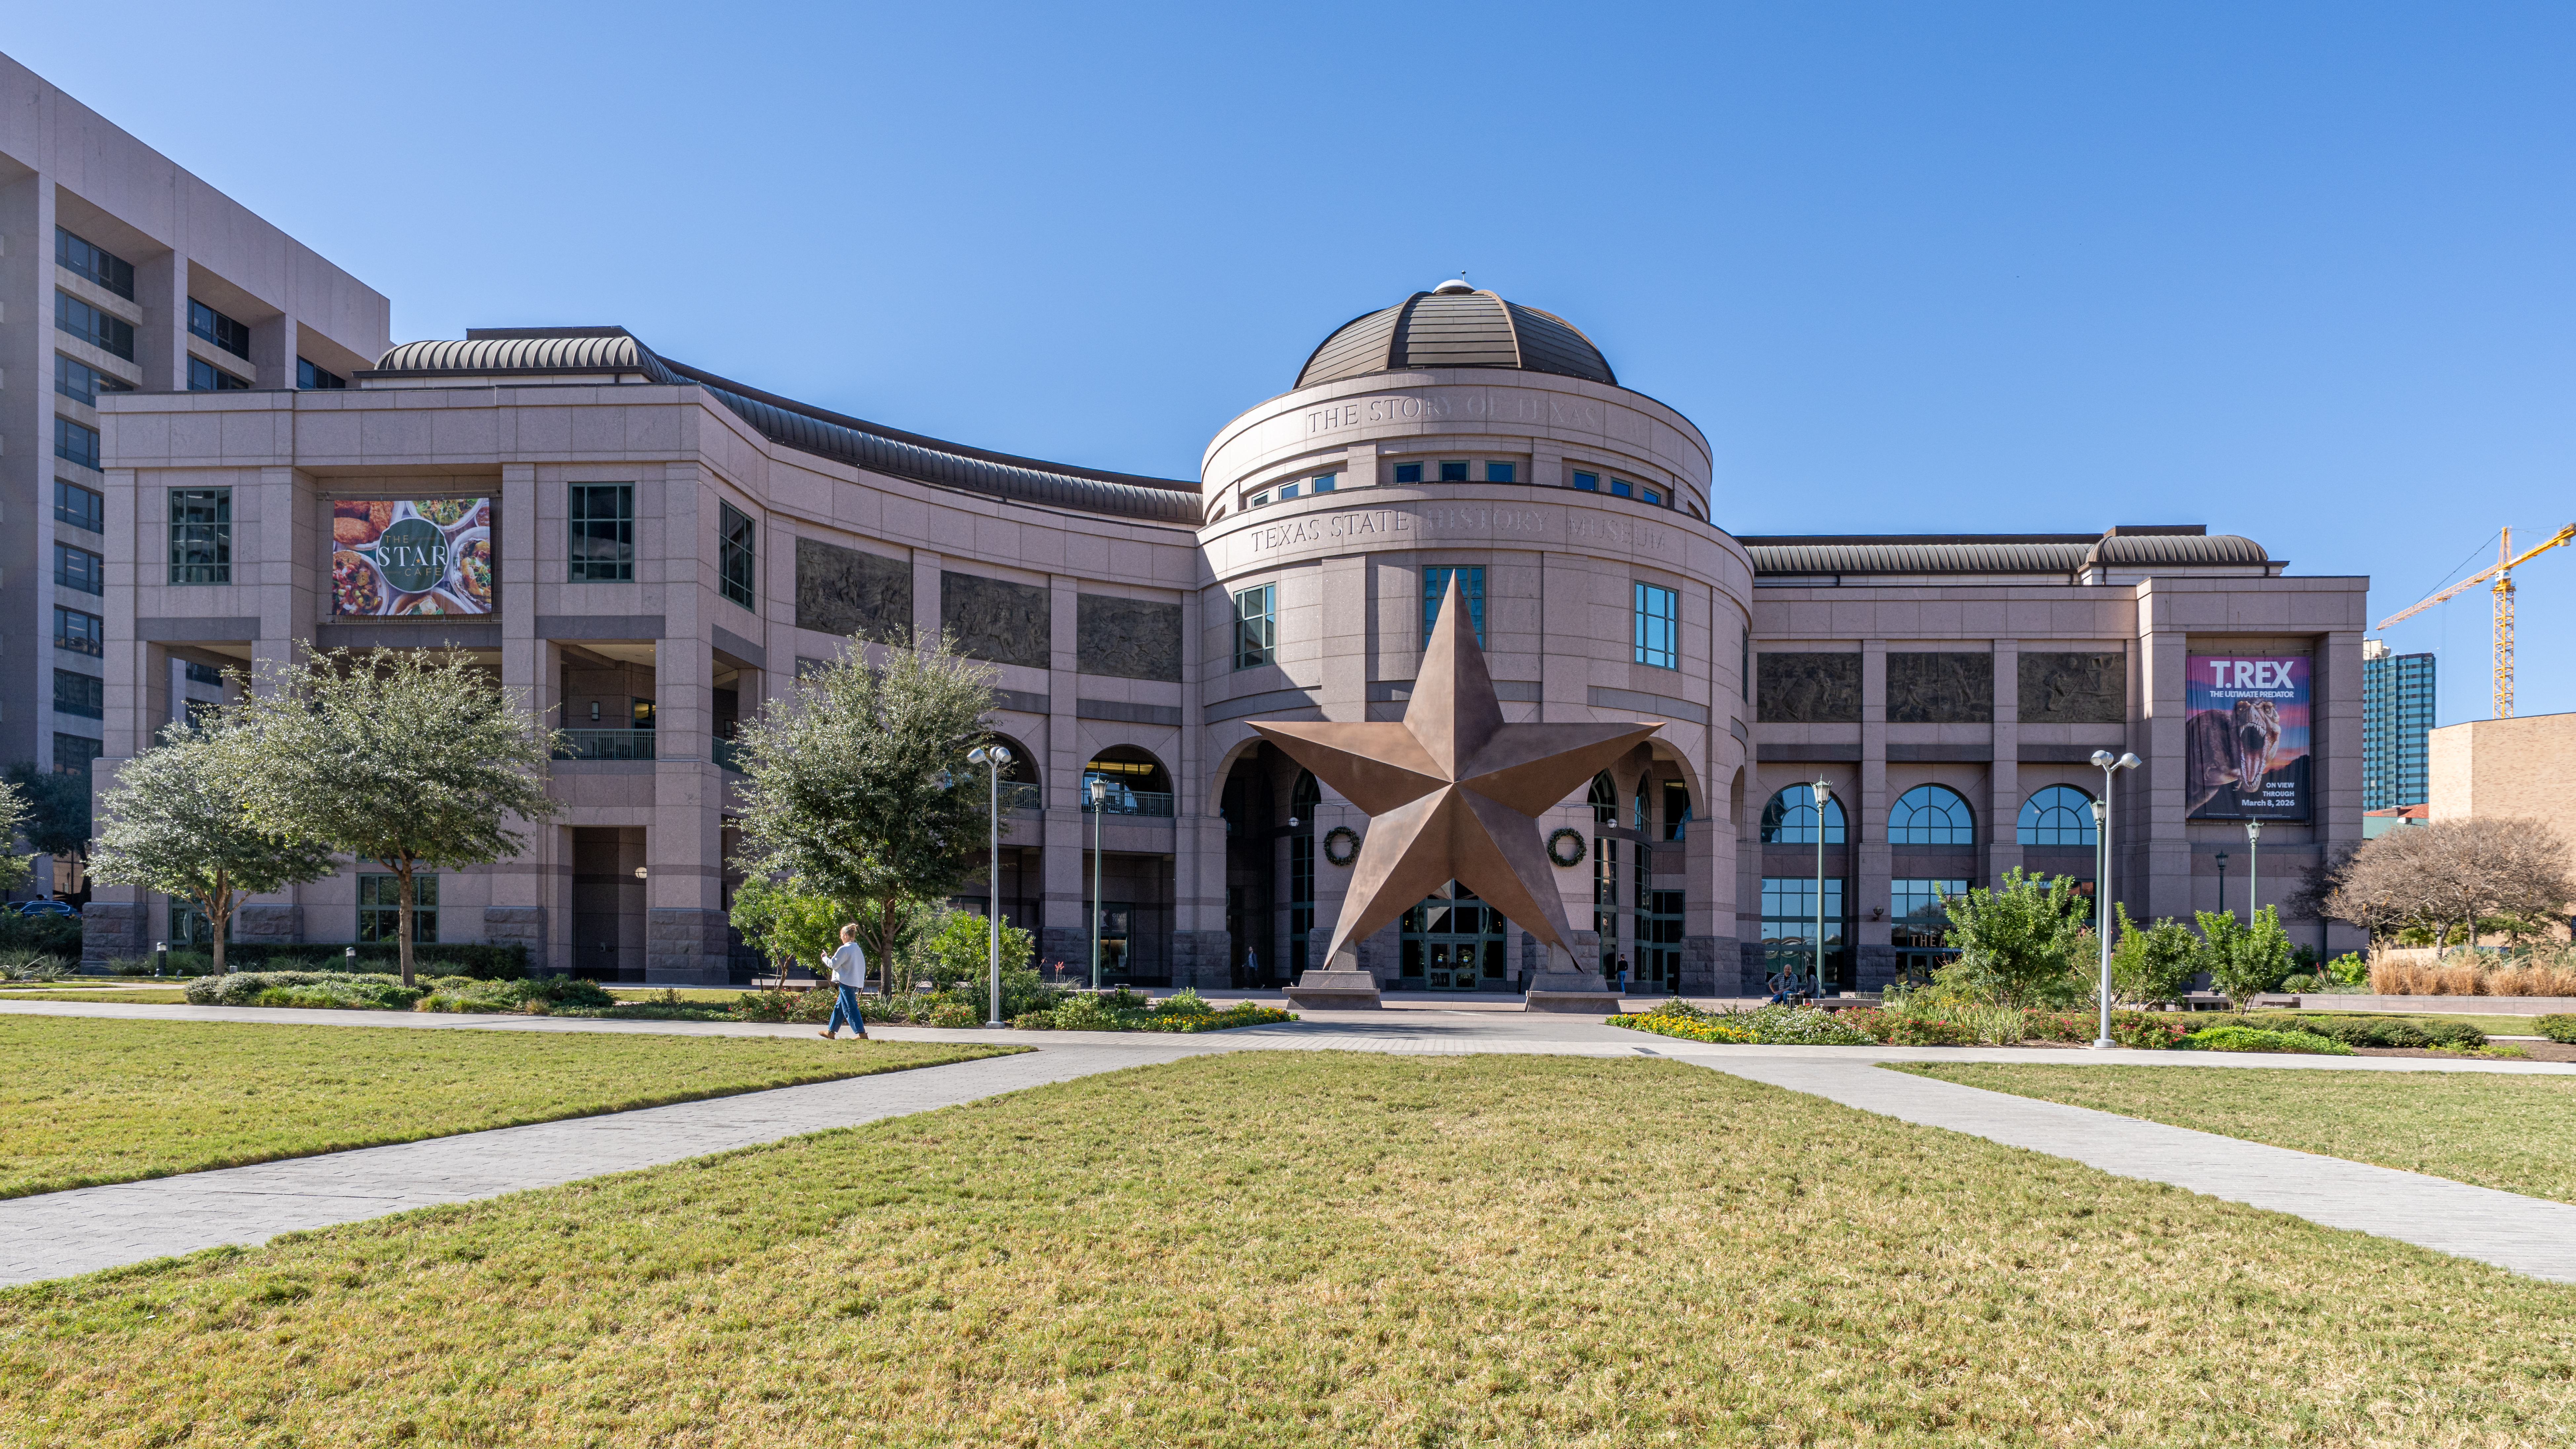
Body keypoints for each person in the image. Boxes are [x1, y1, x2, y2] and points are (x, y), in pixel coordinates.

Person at [819, 924, 869, 1040]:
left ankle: (862, 1034)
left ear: (846, 935)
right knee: (840, 1007)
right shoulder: (858, 949)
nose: (841, 937)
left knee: (850, 1008)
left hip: (846, 982)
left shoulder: (844, 949)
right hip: (855, 982)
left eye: (841, 935)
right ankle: (831, 1032)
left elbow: (833, 964)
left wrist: (824, 958)